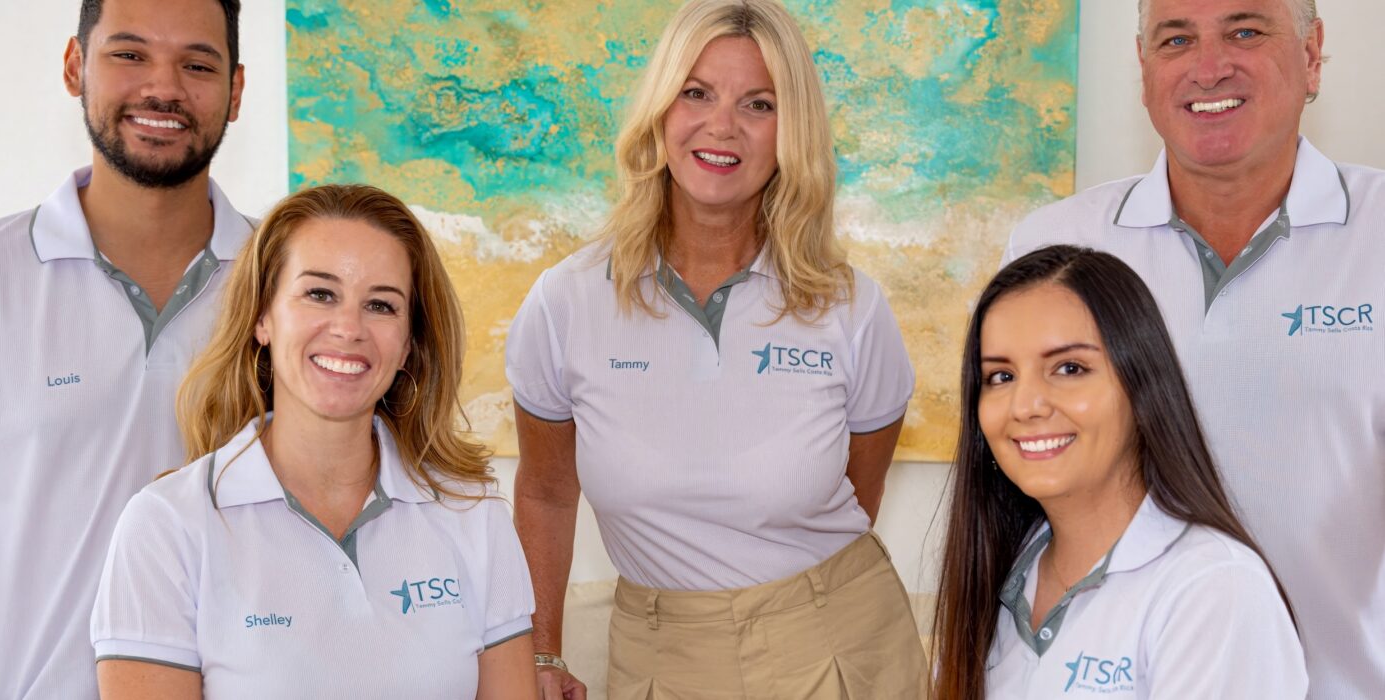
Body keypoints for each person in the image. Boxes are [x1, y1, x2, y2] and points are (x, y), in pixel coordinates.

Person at [506, 1, 927, 697]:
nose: (721, 125)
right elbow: (547, 492)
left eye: (758, 104)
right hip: (655, 651)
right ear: (660, 112)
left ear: (791, 131)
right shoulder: (566, 302)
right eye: (696, 93)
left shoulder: (852, 308)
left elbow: (857, 492)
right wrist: (543, 654)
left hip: (838, 642)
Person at [1004, 1, 1384, 695]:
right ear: (1143, 68)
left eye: (1245, 31)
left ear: (1312, 55)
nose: (1210, 67)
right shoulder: (1055, 249)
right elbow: (1013, 498)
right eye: (1176, 39)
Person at [0, 0, 249, 697]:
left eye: (197, 64)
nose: (163, 87)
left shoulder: (288, 289)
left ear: (236, 90)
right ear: (76, 67)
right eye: (129, 54)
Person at [89, 184, 537, 698]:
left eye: (381, 305)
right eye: (319, 294)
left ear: (410, 342)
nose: (348, 328)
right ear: (262, 317)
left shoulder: (474, 514)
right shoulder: (167, 526)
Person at [931, 245, 1306, 698]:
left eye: (1069, 368)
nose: (1025, 406)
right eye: (1001, 377)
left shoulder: (1214, 590)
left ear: (1142, 385)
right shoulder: (995, 573)